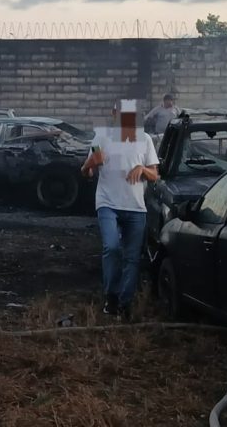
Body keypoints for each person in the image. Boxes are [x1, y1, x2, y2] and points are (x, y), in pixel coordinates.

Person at [82, 99, 159, 319]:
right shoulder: (101, 137)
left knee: (132, 257)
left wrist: (142, 168)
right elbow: (86, 171)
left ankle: (125, 304)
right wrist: (91, 163)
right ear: (114, 114)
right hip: (108, 204)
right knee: (112, 248)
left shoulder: (145, 140)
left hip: (136, 208)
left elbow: (154, 175)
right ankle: (111, 296)